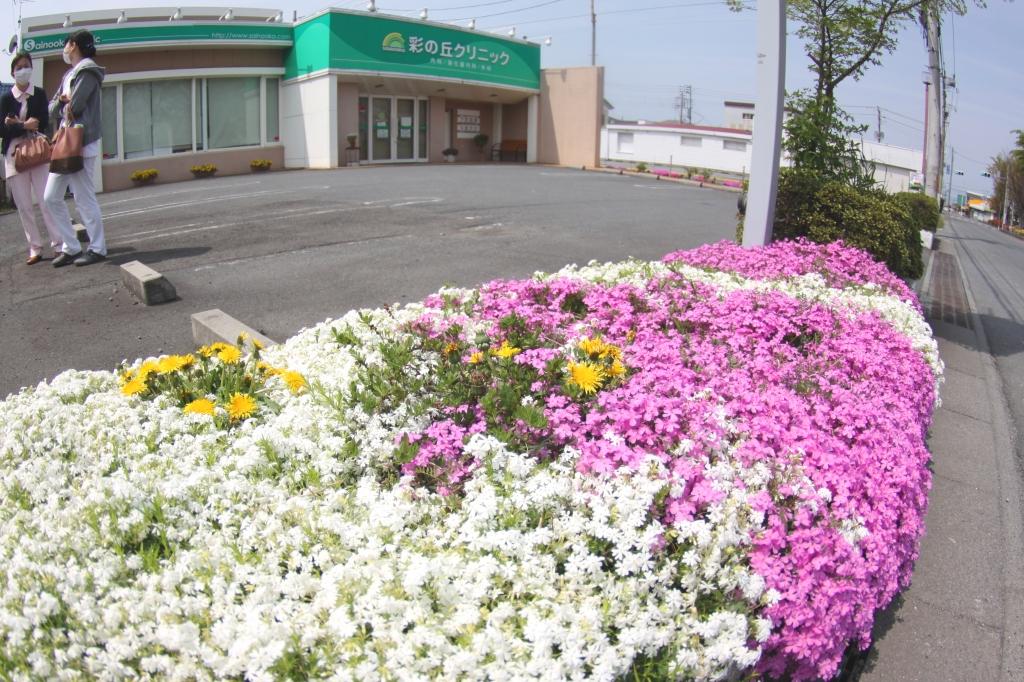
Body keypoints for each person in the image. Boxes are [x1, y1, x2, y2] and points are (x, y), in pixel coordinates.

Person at [44, 29, 107, 267]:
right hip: (65, 142)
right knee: (50, 197)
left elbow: (76, 106)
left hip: (82, 142)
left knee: (83, 196)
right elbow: (53, 107)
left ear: (74, 45)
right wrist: (62, 104)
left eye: (68, 44)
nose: (65, 49)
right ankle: (70, 246)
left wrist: (62, 104)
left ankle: (98, 247)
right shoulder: (70, 74)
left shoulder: (88, 71)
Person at [0, 51, 62, 265]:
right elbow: (2, 130)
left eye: (27, 65)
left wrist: (15, 124)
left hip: (38, 152)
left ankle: (58, 243)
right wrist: (23, 126)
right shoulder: (6, 98)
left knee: (46, 199)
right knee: (24, 205)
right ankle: (34, 247)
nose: (23, 70)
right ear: (12, 72)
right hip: (14, 156)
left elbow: (43, 121)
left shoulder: (39, 93)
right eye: (19, 67)